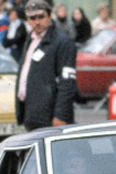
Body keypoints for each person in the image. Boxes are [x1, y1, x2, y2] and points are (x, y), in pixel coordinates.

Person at [16, 0, 77, 131]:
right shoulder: (31, 39)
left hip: (51, 115)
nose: (37, 22)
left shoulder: (63, 42)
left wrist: (61, 115)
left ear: (50, 16)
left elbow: (67, 82)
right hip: (31, 111)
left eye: (41, 17)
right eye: (32, 18)